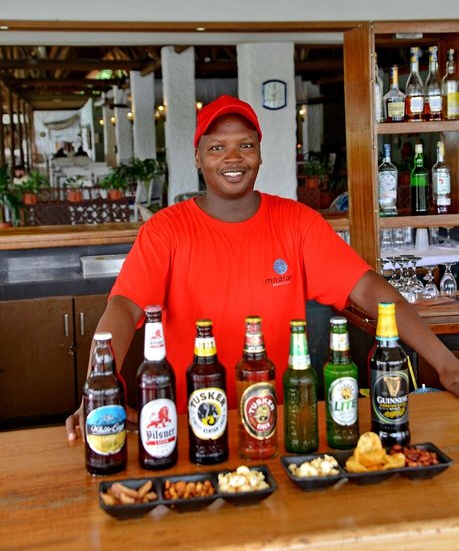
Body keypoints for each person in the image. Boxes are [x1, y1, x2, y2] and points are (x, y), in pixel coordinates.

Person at [66, 95, 459, 441]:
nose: (233, 158)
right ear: (197, 157)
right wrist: (98, 388)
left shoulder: (296, 222)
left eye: (245, 145)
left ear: (259, 154)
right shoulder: (166, 230)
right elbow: (124, 307)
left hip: (283, 424)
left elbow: (369, 290)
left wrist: (445, 364)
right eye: (217, 147)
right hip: (192, 427)